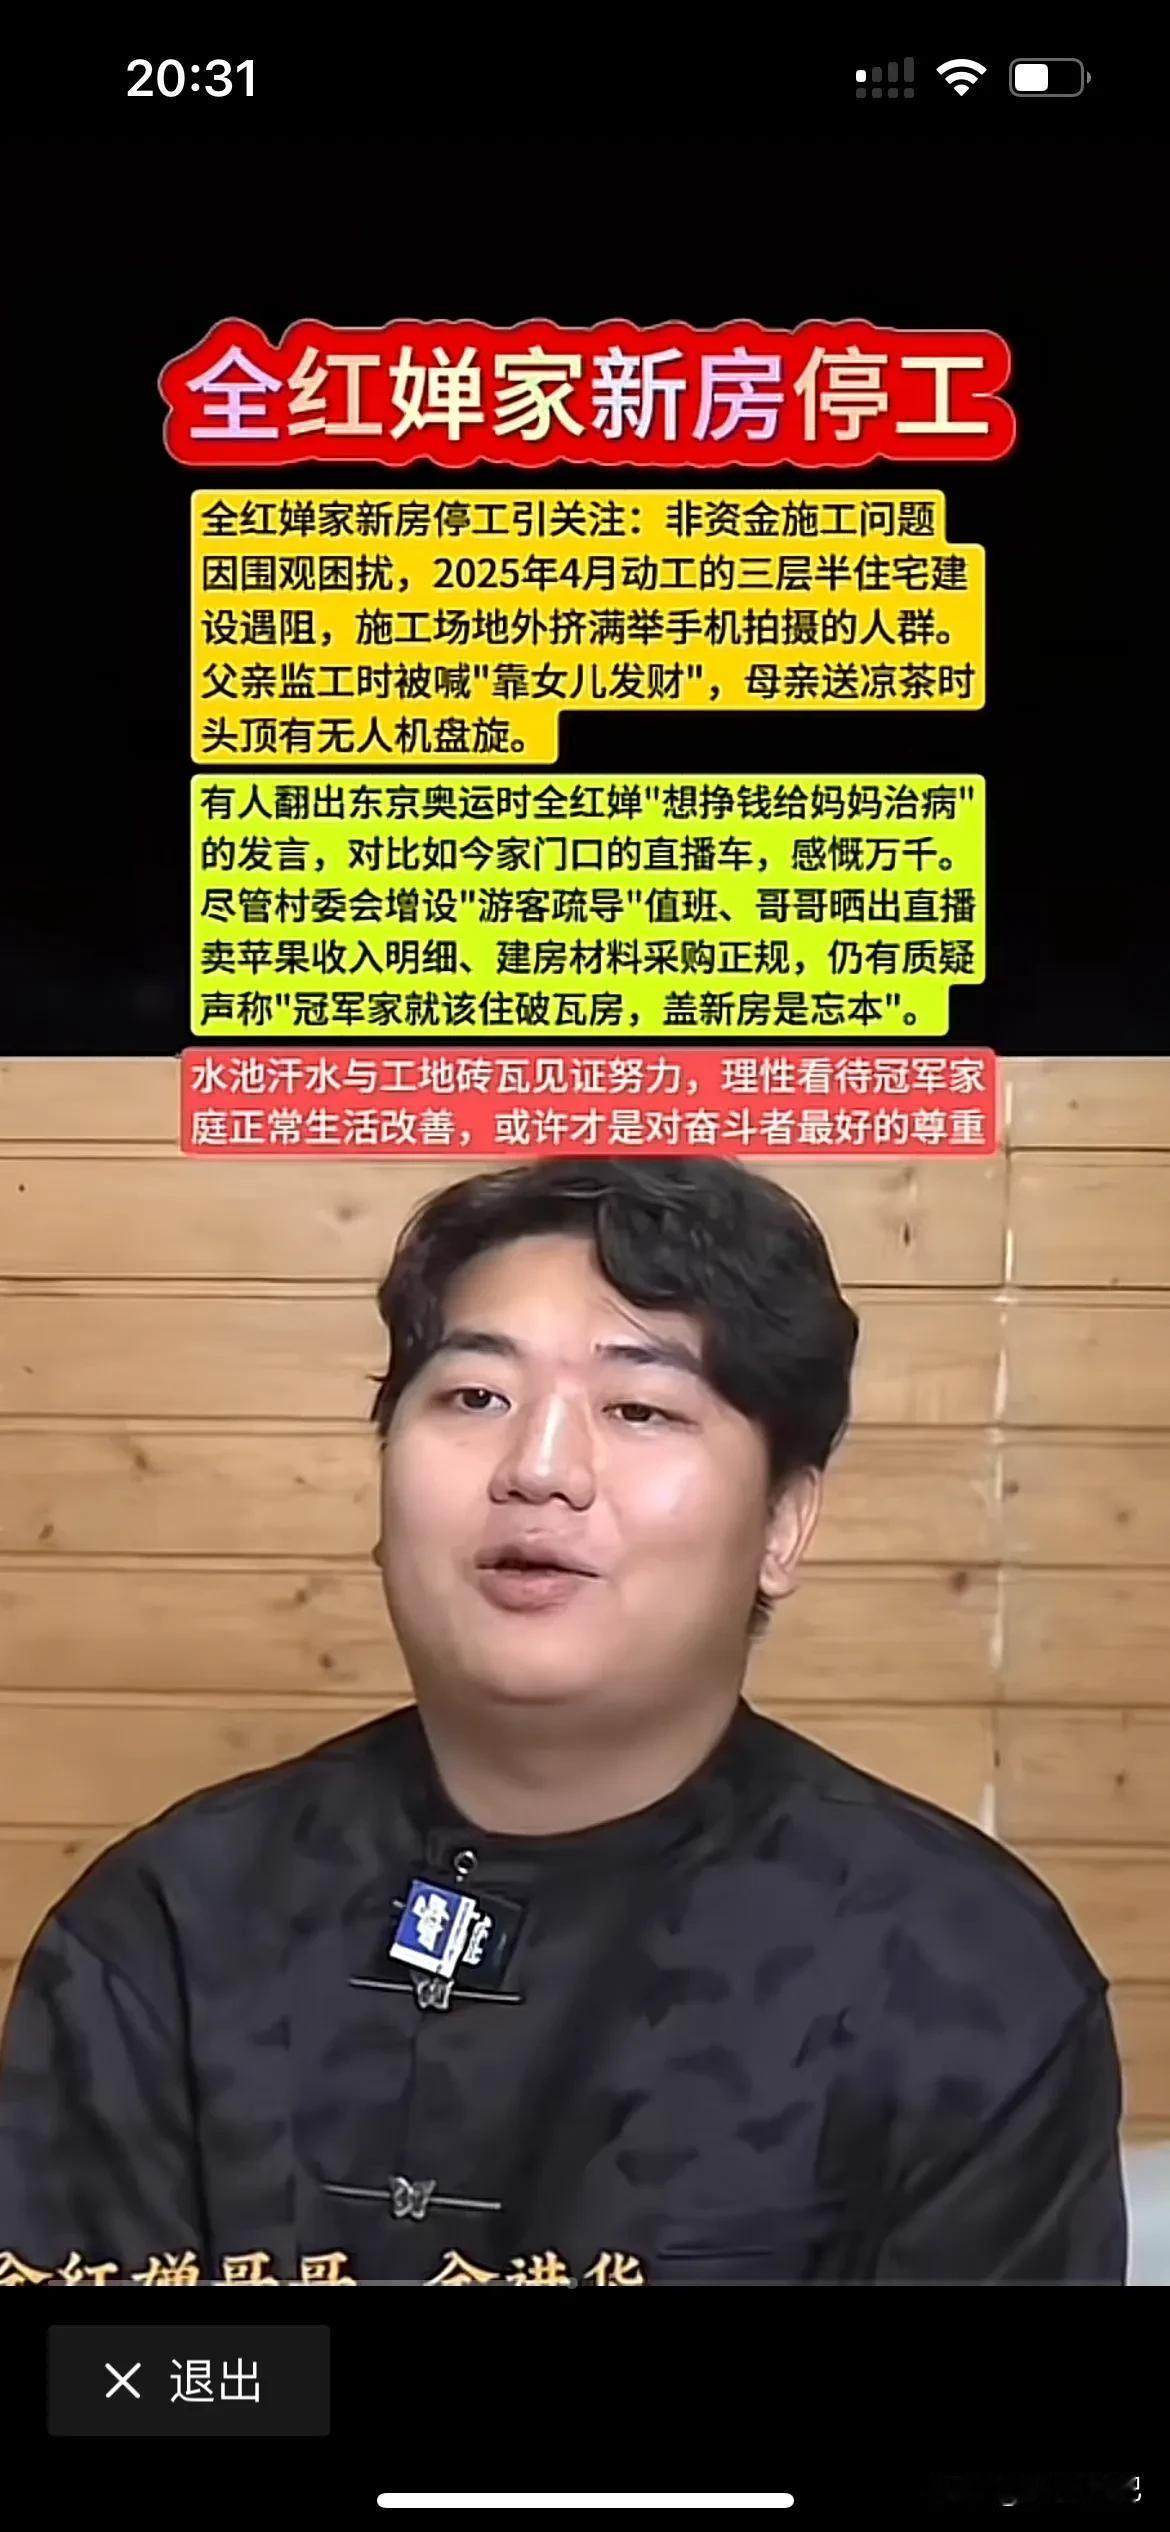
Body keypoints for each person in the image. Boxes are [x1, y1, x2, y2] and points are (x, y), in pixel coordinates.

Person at [0, 1157, 1127, 2285]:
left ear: (782, 1523)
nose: (539, 1470)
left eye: (640, 1408)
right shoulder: (165, 1932)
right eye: (475, 1397)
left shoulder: (962, 1971)